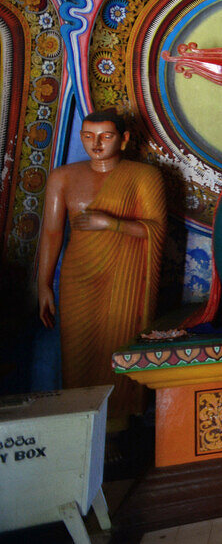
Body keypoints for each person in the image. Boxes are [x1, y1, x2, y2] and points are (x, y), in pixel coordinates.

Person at [37, 109, 166, 429]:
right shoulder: (62, 177)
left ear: (123, 140)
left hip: (123, 278)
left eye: (106, 136)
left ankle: (118, 426)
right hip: (77, 277)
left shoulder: (143, 176)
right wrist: (43, 284)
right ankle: (83, 424)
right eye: (88, 136)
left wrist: (111, 223)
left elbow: (156, 230)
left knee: (118, 345)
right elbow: (52, 233)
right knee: (78, 354)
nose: (96, 144)